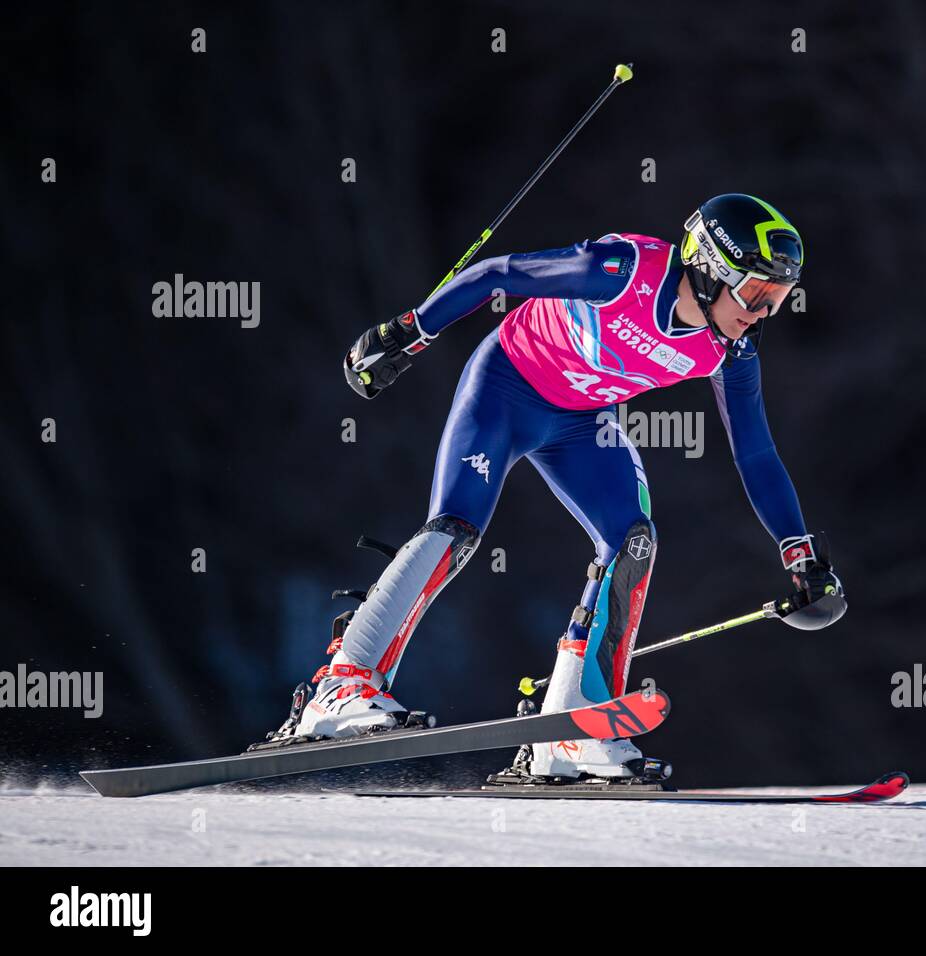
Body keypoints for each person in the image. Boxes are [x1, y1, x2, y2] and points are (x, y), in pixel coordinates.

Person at [269, 194, 844, 783]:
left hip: (580, 422)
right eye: (755, 295)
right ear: (710, 269)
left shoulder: (732, 351)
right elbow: (498, 274)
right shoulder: (622, 271)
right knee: (456, 528)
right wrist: (410, 332)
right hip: (506, 388)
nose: (761, 313)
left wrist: (798, 552)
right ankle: (342, 685)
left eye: (776, 300)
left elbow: (755, 451)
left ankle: (574, 726)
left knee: (633, 540)